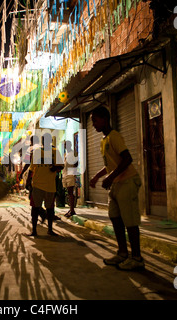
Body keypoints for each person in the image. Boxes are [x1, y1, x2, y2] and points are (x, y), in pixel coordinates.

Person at [89, 106, 144, 271]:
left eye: (95, 121)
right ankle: (122, 253)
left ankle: (137, 258)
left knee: (130, 221)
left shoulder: (115, 136)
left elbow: (127, 159)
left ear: (105, 119)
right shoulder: (103, 140)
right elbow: (111, 164)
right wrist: (98, 176)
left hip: (127, 181)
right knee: (115, 217)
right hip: (116, 184)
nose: (93, 125)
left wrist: (110, 177)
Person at [28, 133, 64, 236]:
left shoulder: (55, 152)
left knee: (50, 209)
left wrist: (55, 168)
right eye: (44, 140)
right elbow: (32, 168)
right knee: (35, 208)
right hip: (37, 184)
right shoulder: (37, 152)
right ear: (42, 142)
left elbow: (61, 166)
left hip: (50, 185)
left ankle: (50, 229)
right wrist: (28, 181)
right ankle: (34, 230)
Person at [62, 141, 78, 218]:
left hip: (70, 174)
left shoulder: (73, 153)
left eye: (67, 145)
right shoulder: (65, 154)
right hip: (65, 174)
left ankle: (72, 210)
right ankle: (71, 209)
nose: (66, 146)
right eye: (65, 145)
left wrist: (74, 174)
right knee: (68, 192)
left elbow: (76, 164)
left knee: (70, 192)